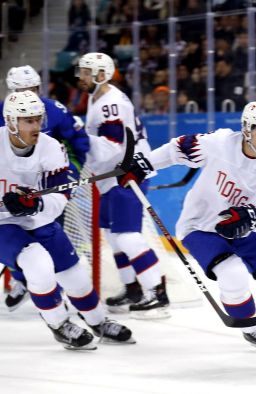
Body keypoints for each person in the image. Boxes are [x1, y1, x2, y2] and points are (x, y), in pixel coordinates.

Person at [144, 101, 256, 352]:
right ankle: (250, 327)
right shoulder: (220, 143)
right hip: (201, 225)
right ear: (247, 129)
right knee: (233, 272)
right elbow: (178, 148)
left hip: (243, 228)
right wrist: (146, 163)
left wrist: (252, 217)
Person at [0, 90, 133, 349]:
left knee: (75, 276)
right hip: (2, 224)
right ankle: (60, 325)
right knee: (37, 265)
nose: (36, 126)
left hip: (38, 219)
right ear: (12, 122)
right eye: (29, 120)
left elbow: (59, 197)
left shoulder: (50, 147)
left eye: (38, 119)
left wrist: (37, 203)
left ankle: (98, 321)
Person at [75, 52, 169, 318]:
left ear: (101, 75)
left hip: (126, 173)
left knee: (127, 235)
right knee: (113, 237)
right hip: (110, 176)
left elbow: (112, 146)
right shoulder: (98, 97)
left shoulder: (110, 103)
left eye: (86, 72)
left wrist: (75, 138)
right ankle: (133, 288)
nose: (81, 77)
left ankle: (157, 293)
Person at [1, 65, 90, 312]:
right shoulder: (2, 112)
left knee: (50, 232)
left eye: (32, 88)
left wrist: (69, 171)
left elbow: (78, 141)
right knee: (16, 241)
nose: (28, 93)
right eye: (21, 89)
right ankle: (22, 280)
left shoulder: (54, 109)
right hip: (9, 186)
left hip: (45, 187)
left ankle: (57, 290)